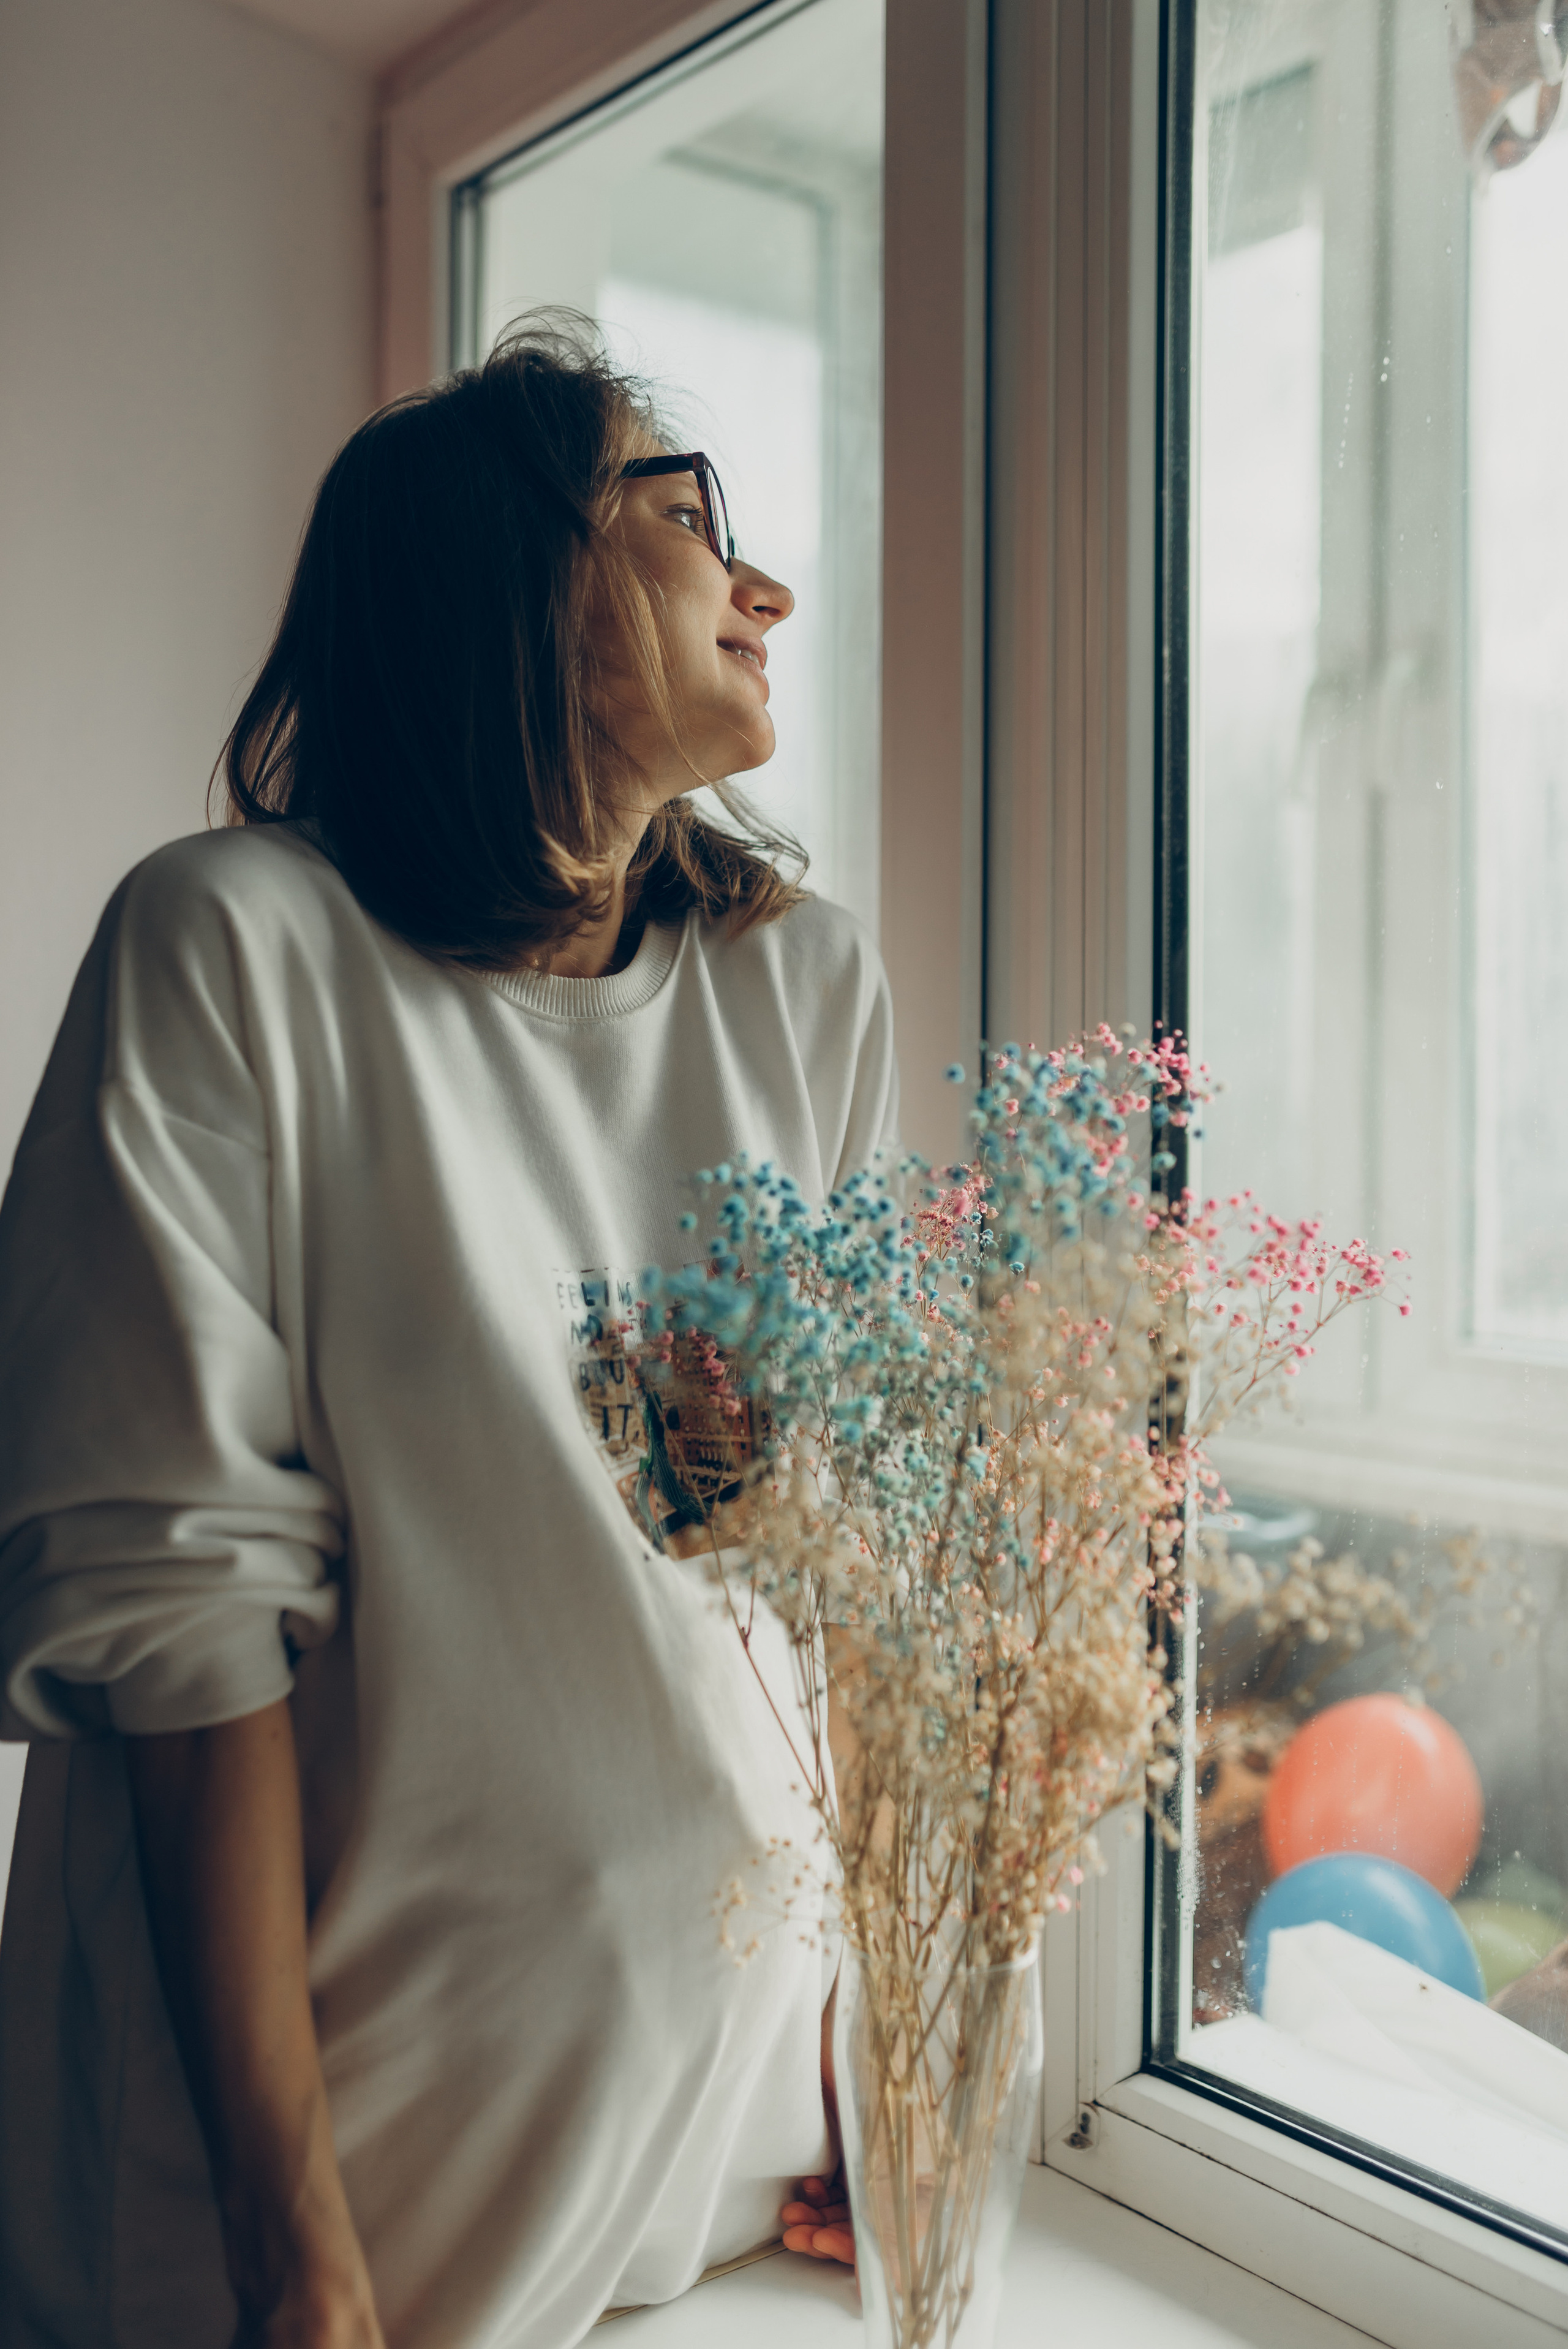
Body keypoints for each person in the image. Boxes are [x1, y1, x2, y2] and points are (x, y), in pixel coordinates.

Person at [0, 317, 885, 2347]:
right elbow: (179, 1620)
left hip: (725, 2177)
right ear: (510, 573)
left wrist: (859, 2057)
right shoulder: (230, 949)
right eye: (687, 515)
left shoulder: (800, 990)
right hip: (326, 2233)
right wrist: (295, 2266)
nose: (765, 587)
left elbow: (802, 1574)